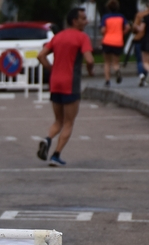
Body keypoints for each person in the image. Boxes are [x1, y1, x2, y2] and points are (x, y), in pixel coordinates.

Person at [36, 7, 94, 167]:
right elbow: (89, 60)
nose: (86, 21)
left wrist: (51, 69)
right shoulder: (82, 37)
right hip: (70, 82)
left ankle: (47, 139)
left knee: (58, 121)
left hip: (55, 82)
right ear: (74, 21)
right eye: (83, 18)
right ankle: (56, 155)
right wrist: (90, 71)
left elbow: (41, 56)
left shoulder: (58, 36)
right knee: (69, 122)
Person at [100, 0, 130, 87]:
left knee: (107, 62)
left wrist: (105, 33)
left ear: (108, 7)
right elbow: (128, 27)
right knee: (116, 62)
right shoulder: (121, 17)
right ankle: (117, 70)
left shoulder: (105, 17)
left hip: (107, 41)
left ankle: (107, 81)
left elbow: (103, 30)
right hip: (118, 41)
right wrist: (122, 33)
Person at [130, 4, 149, 81]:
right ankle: (147, 75)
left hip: (139, 39)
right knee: (148, 60)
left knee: (139, 59)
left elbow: (134, 28)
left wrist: (134, 27)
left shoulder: (140, 15)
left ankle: (141, 75)